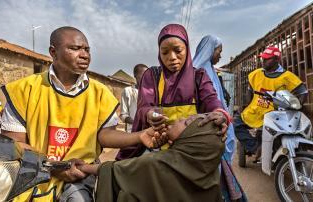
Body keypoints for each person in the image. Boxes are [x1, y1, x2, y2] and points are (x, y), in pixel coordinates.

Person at [0, 26, 166, 202]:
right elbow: (15, 144)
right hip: (34, 173)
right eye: (75, 48)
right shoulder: (24, 90)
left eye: (87, 49)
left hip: (80, 175)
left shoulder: (100, 93)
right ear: (53, 52)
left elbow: (105, 135)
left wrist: (139, 136)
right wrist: (53, 166)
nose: (85, 55)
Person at [116, 24, 230, 162]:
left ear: (187, 49)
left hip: (193, 151)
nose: (172, 57)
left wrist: (219, 113)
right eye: (165, 52)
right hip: (158, 149)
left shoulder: (199, 76)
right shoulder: (152, 76)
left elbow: (211, 100)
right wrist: (149, 114)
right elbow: (144, 107)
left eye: (178, 50)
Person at [79, 115, 225, 202]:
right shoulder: (210, 172)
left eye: (186, 122)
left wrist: (82, 167)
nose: (180, 118)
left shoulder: (157, 163)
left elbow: (116, 170)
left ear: (192, 138)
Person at [234, 46, 308, 155]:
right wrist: (246, 105)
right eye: (263, 58)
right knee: (235, 124)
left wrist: (296, 107)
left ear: (277, 60)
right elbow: (250, 90)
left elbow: (303, 92)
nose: (263, 61)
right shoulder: (256, 74)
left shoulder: (287, 77)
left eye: (267, 59)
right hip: (256, 112)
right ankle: (256, 148)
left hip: (277, 115)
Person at [192, 35, 236, 164]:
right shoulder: (198, 72)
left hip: (218, 118)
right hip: (207, 124)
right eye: (219, 51)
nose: (220, 56)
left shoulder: (211, 70)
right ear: (210, 50)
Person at [120, 64, 148, 132]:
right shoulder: (128, 91)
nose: (146, 77)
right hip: (132, 131)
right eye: (143, 75)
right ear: (135, 75)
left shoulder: (151, 92)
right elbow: (124, 115)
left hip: (148, 131)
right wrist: (136, 123)